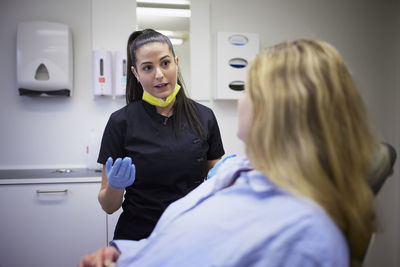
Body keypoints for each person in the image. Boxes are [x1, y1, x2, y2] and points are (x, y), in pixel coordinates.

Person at [80, 39, 385, 267]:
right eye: (148, 67)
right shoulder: (239, 172)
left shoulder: (304, 232)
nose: (239, 100)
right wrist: (125, 252)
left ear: (279, 111)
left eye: (249, 90)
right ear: (135, 73)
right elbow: (180, 239)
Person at [97, 29, 225, 241]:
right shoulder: (120, 122)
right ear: (136, 73)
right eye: (148, 67)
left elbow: (217, 185)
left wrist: (230, 174)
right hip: (138, 239)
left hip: (191, 234)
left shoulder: (204, 117)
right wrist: (115, 186)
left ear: (176, 62)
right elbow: (109, 207)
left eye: (165, 63)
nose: (159, 74)